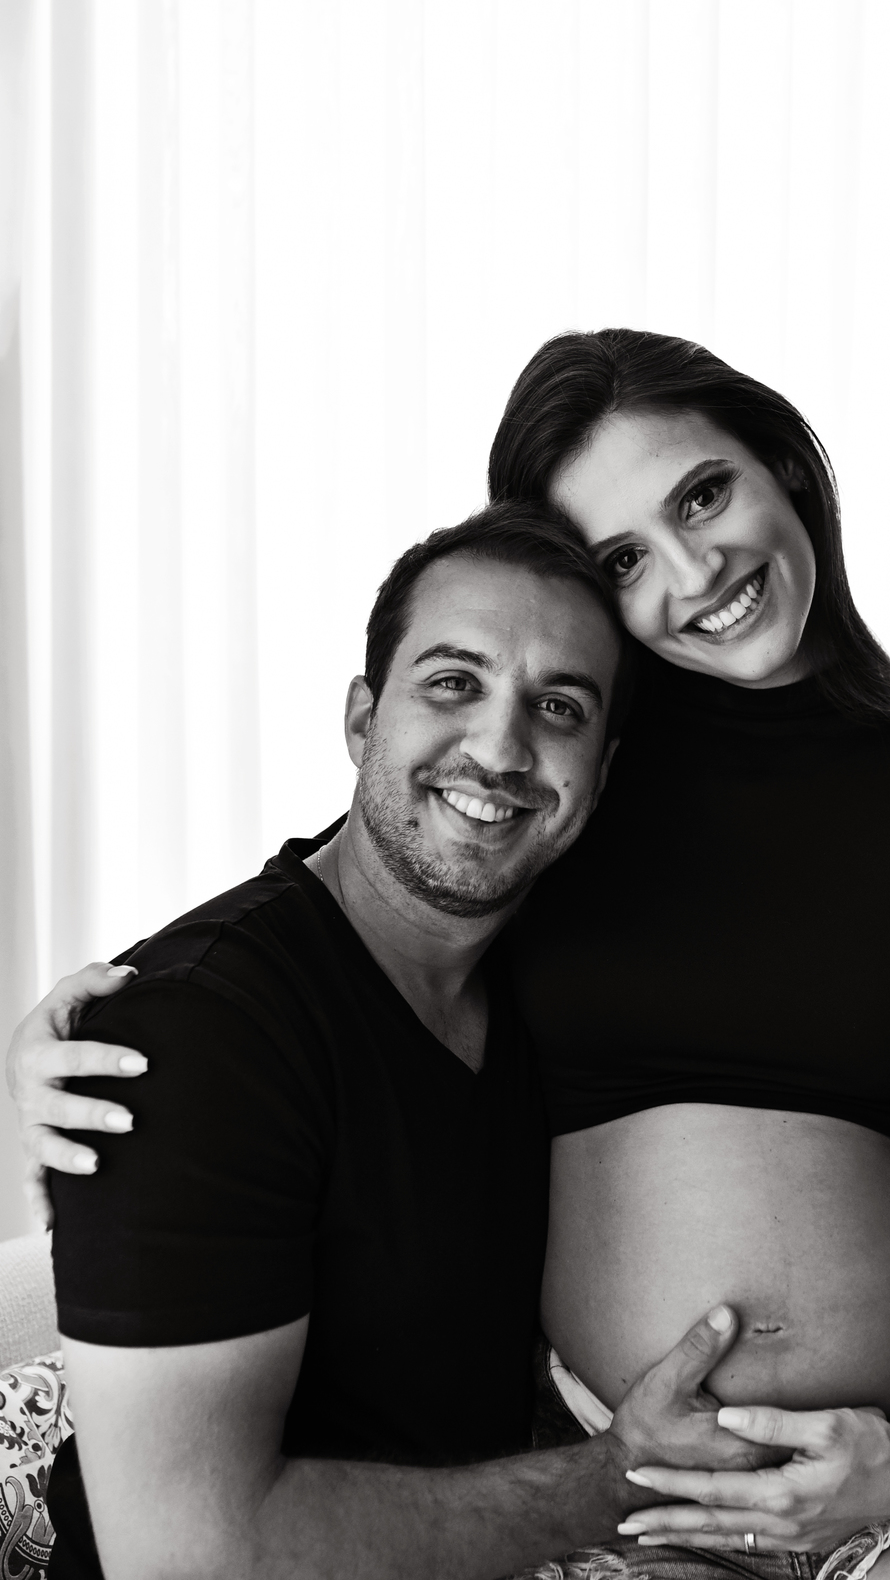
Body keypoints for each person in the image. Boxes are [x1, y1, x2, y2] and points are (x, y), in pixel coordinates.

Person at [12, 331, 890, 1578]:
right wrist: (106, 1015)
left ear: (784, 465)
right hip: (607, 1459)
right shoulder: (562, 784)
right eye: (623, 558)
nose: (695, 568)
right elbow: (362, 879)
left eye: (704, 495)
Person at [11, 504, 772, 1580]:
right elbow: (187, 1557)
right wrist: (612, 1478)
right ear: (364, 719)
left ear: (601, 773)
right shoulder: (188, 1040)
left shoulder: (553, 977)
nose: (500, 749)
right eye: (453, 682)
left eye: (558, 706)